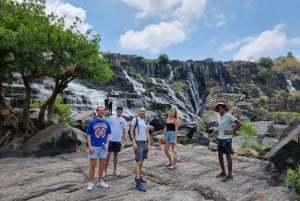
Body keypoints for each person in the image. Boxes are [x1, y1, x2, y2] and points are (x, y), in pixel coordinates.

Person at [86, 105, 111, 191]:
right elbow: (88, 135)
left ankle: (100, 181)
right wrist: (89, 146)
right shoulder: (93, 122)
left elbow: (108, 134)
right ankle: (91, 182)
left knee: (102, 165)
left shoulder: (107, 122)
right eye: (100, 110)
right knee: (92, 165)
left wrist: (107, 144)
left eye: (103, 110)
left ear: (104, 112)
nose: (101, 111)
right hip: (94, 147)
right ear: (97, 111)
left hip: (103, 147)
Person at [215, 103, 241, 182]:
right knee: (220, 155)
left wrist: (232, 131)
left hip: (227, 139)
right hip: (220, 138)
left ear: (224, 108)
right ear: (217, 109)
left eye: (222, 108)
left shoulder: (229, 115)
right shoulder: (219, 116)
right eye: (219, 108)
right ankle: (223, 172)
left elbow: (239, 123)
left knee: (228, 156)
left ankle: (230, 174)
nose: (220, 109)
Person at [130, 107, 151, 192]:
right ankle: (138, 182)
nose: (143, 112)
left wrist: (149, 143)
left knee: (142, 161)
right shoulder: (135, 120)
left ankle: (137, 177)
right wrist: (134, 142)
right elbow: (131, 131)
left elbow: (147, 133)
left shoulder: (144, 121)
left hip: (144, 143)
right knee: (138, 162)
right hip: (138, 142)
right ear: (139, 112)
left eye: (144, 111)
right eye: (141, 111)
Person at [104, 106, 127, 177]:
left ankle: (115, 170)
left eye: (121, 110)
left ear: (122, 111)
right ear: (116, 111)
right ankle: (104, 171)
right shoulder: (111, 118)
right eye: (118, 110)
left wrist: (123, 139)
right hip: (110, 139)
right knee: (107, 155)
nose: (119, 111)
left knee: (116, 156)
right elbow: (106, 127)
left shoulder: (123, 120)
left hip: (118, 140)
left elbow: (124, 130)